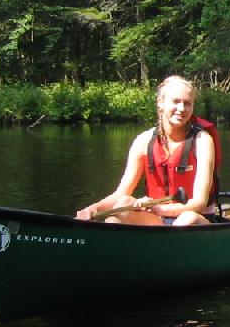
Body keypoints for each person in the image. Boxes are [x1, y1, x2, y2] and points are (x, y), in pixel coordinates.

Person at [76, 75, 217, 226]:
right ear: (160, 103)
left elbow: (199, 203)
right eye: (175, 101)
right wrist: (93, 209)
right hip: (159, 220)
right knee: (123, 203)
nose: (182, 109)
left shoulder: (202, 141)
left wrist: (159, 209)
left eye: (188, 103)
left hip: (193, 217)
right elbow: (121, 192)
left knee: (187, 219)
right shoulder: (143, 141)